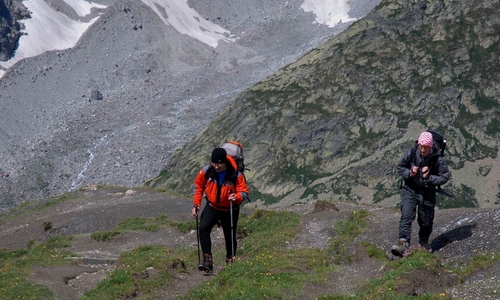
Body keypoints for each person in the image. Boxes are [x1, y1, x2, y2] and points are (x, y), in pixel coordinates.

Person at [391, 131, 451, 256]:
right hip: (410, 189)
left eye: (425, 148)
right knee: (406, 215)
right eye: (421, 147)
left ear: (430, 147)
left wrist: (428, 178)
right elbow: (401, 166)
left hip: (428, 191)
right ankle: (403, 243)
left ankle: (423, 242)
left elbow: (444, 176)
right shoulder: (412, 153)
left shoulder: (437, 159)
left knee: (426, 221)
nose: (422, 150)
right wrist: (410, 173)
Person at [191, 147, 249, 271]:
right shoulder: (207, 171)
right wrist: (196, 204)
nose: (216, 167)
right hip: (212, 206)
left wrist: (237, 196)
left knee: (230, 235)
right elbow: (198, 186)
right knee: (203, 227)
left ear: (225, 162)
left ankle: (230, 259)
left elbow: (244, 191)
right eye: (214, 163)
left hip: (230, 209)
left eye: (219, 164)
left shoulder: (235, 174)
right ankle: (207, 260)